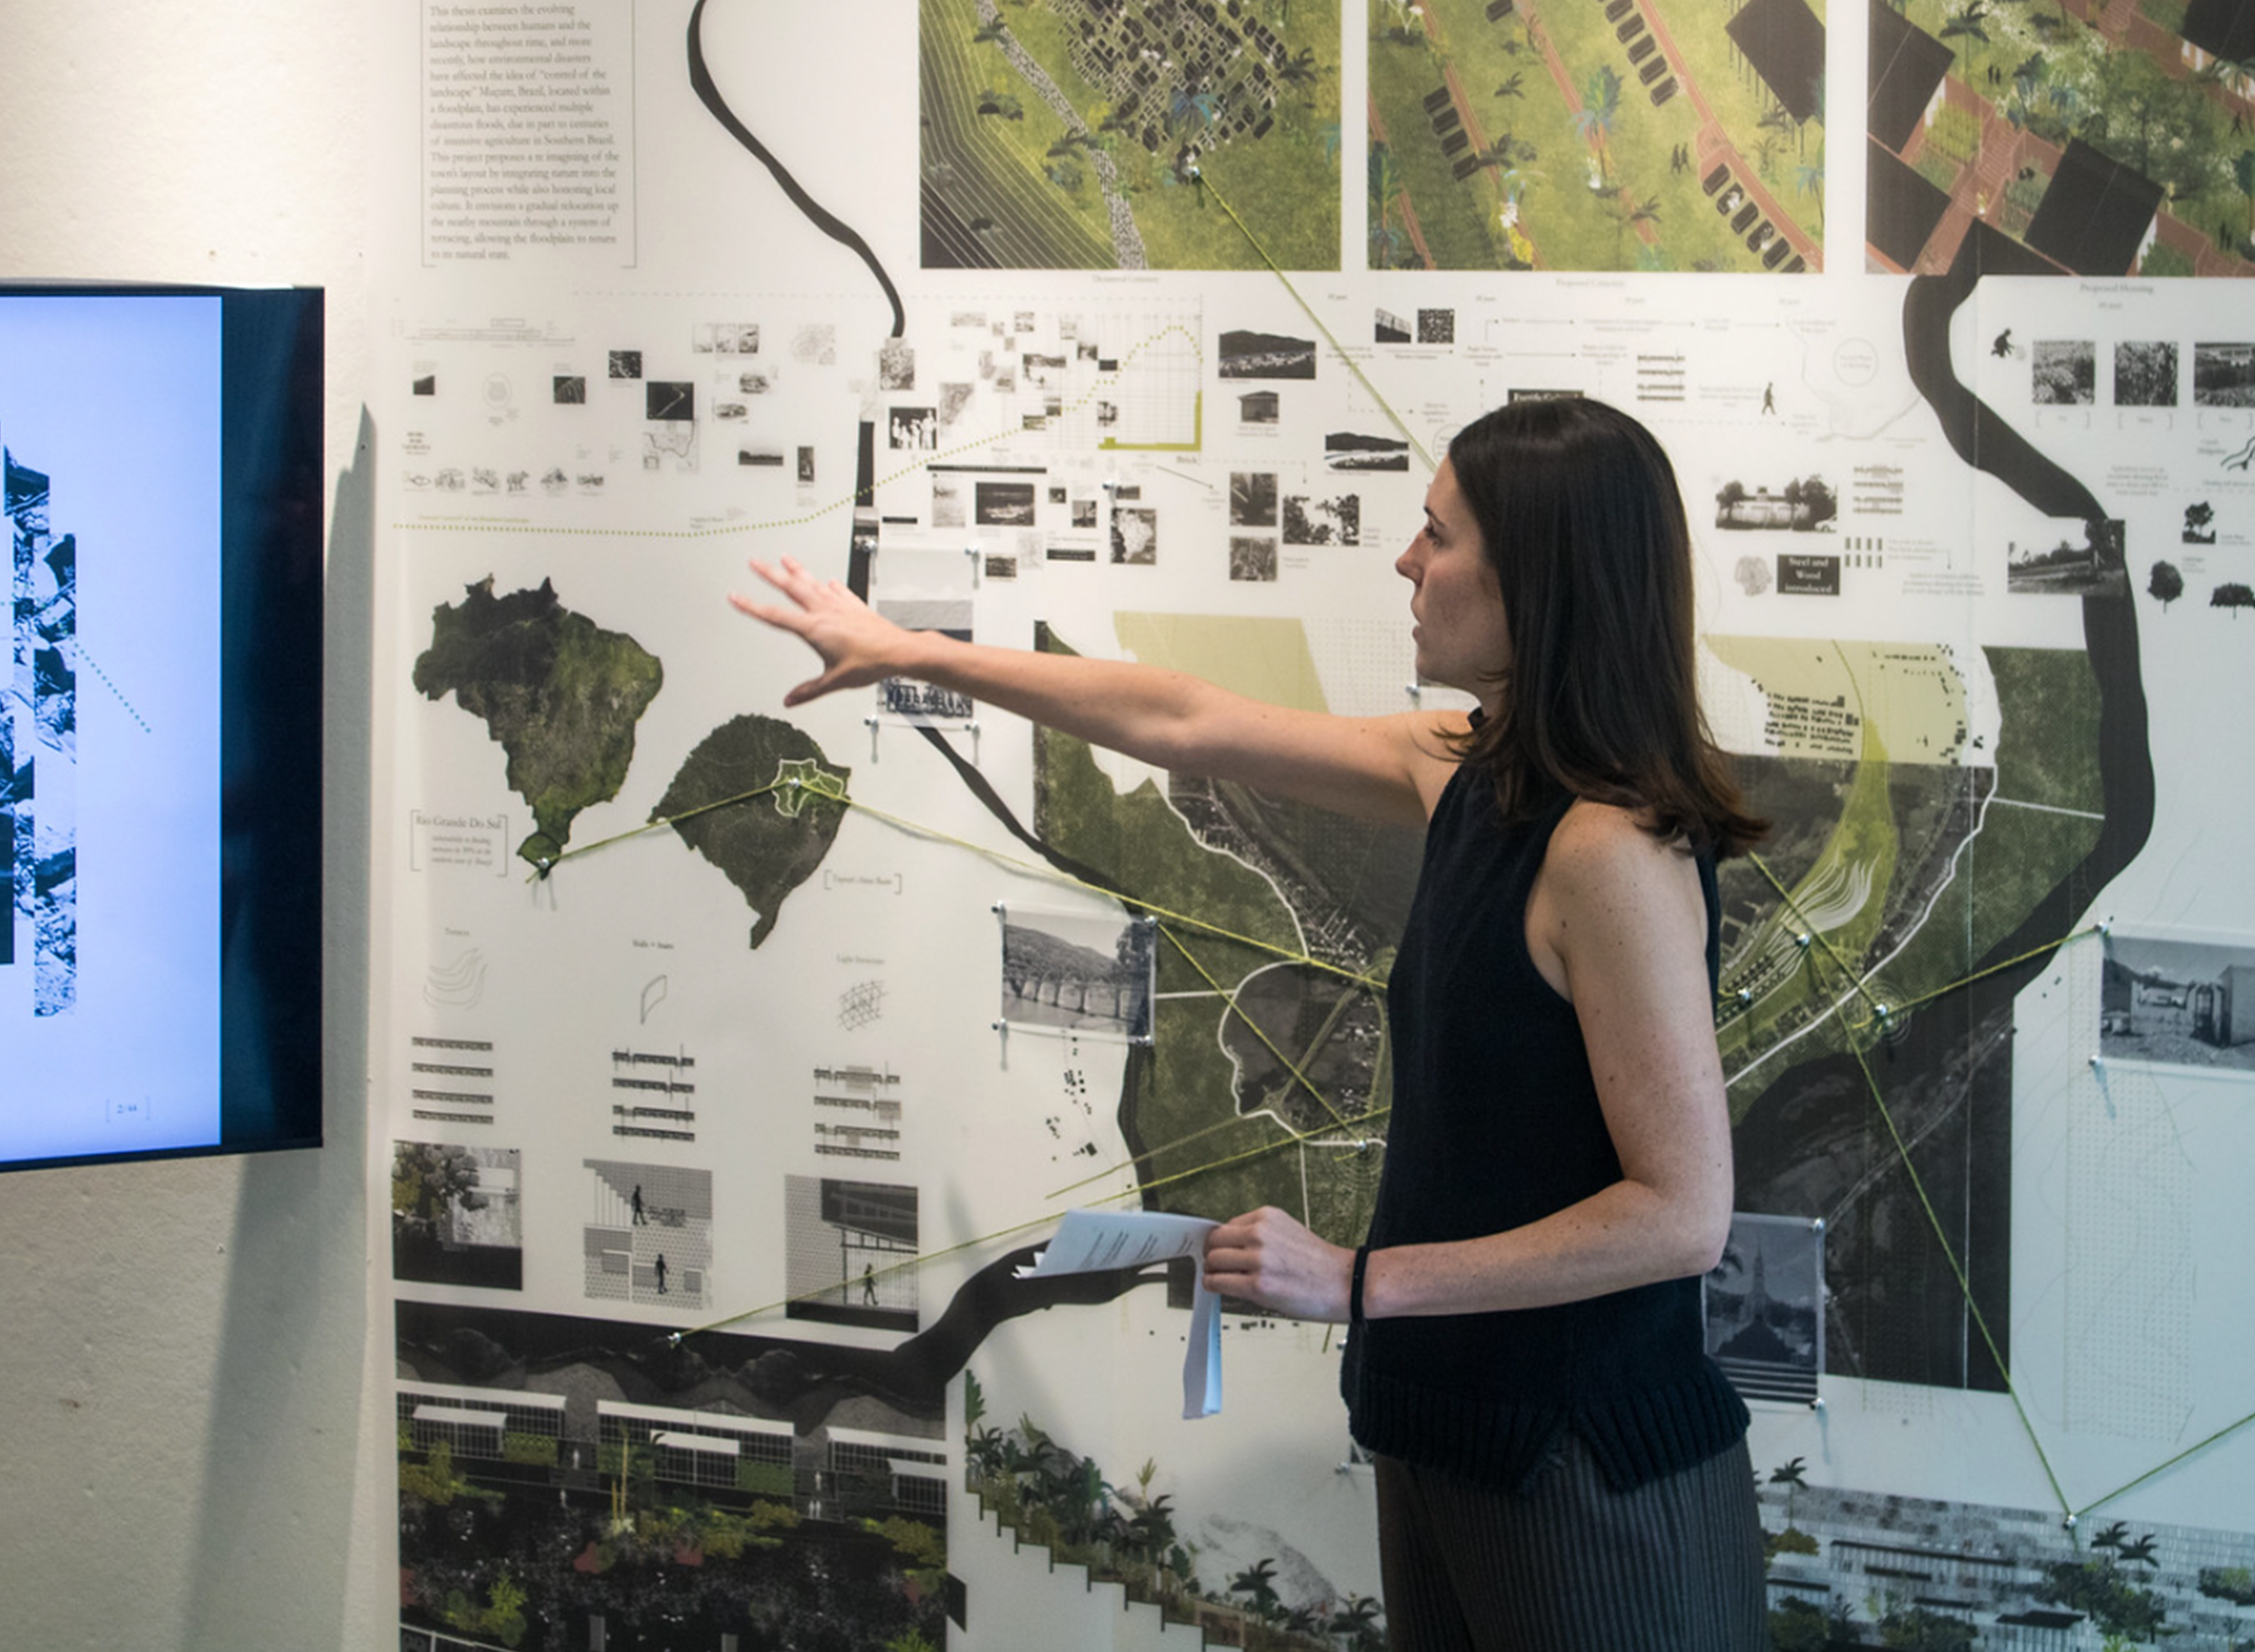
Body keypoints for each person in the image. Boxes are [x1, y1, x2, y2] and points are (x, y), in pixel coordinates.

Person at [733, 397, 1764, 1649]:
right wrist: (912, 653)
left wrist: (1354, 1281)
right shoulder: (1469, 770)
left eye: (1434, 537)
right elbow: (1181, 718)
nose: (1404, 561)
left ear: (1530, 582)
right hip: (1442, 1432)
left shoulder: (1609, 848)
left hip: (1586, 1472)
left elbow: (1680, 1214)